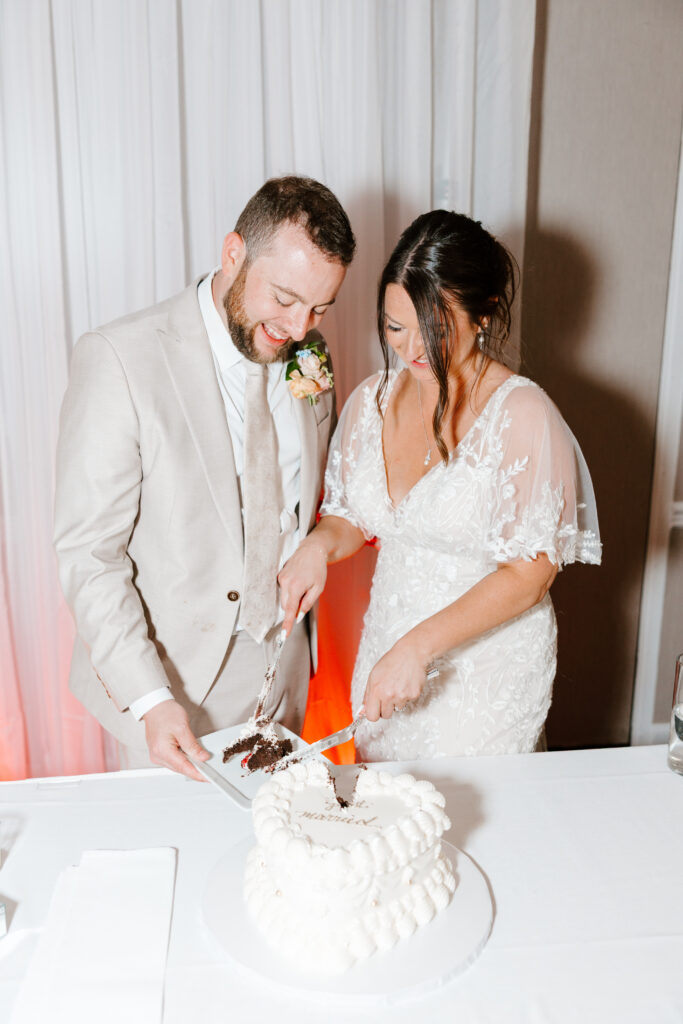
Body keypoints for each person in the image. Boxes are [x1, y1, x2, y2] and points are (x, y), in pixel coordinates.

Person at [54, 176, 355, 779]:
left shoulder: (310, 355)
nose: (300, 329)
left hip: (284, 671)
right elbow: (90, 555)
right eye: (285, 298)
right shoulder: (119, 359)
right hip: (169, 687)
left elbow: (313, 499)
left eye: (319, 307)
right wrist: (149, 700)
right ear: (233, 254)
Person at [279, 210, 601, 761]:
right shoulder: (371, 401)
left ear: (485, 313)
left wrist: (421, 646)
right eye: (395, 327)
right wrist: (316, 547)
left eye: (435, 327)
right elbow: (351, 517)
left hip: (483, 675)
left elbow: (530, 575)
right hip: (388, 651)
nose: (412, 350)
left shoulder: (523, 414)